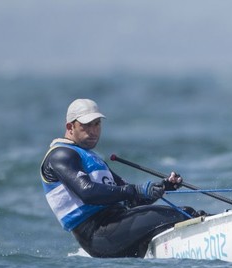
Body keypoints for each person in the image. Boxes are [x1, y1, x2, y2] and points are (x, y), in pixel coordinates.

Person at [41, 98, 201, 258]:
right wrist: (136, 190)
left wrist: (163, 187)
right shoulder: (60, 154)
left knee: (179, 216)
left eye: (97, 124)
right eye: (86, 125)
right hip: (97, 234)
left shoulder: (91, 158)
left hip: (116, 226)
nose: (93, 131)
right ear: (70, 127)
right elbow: (88, 193)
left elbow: (130, 199)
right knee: (184, 214)